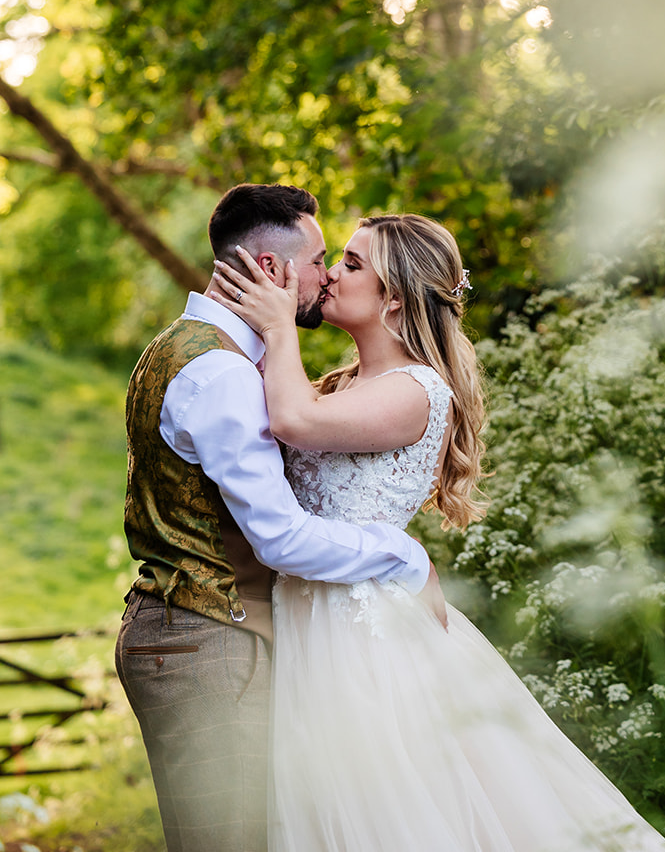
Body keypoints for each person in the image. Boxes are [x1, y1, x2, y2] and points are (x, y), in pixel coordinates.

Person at [210, 211, 665, 852]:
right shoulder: (346, 384)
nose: (329, 274)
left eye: (350, 263)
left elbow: (291, 421)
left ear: (393, 297)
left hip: (359, 630)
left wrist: (276, 324)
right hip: (305, 609)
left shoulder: (417, 391)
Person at [115, 184, 445, 852]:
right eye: (323, 260)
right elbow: (276, 535)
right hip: (207, 641)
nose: (325, 278)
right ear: (272, 269)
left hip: (222, 634)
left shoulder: (186, 347)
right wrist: (404, 555)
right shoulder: (223, 373)